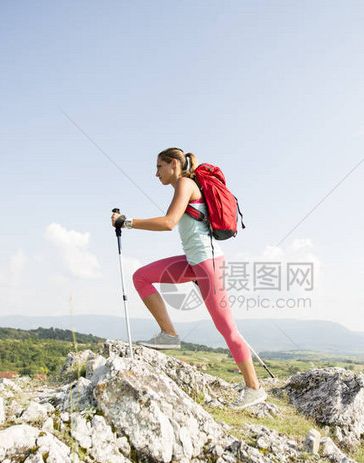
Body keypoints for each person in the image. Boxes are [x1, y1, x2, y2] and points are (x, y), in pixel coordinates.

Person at [110, 148, 266, 410]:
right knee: (142, 277)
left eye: (159, 166)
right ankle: (169, 334)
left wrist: (127, 222)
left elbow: (170, 222)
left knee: (227, 328)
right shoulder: (183, 186)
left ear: (173, 164)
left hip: (208, 264)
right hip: (195, 263)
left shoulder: (185, 183)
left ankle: (254, 389)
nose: (156, 173)